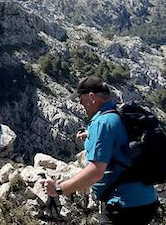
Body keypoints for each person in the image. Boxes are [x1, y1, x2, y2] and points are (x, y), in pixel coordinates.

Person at [39, 76, 159, 224]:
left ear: (91, 97)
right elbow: (120, 138)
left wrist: (58, 189)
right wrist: (91, 136)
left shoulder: (103, 123)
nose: (80, 102)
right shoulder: (116, 113)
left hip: (125, 205)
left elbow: (96, 171)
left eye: (81, 98)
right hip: (143, 200)